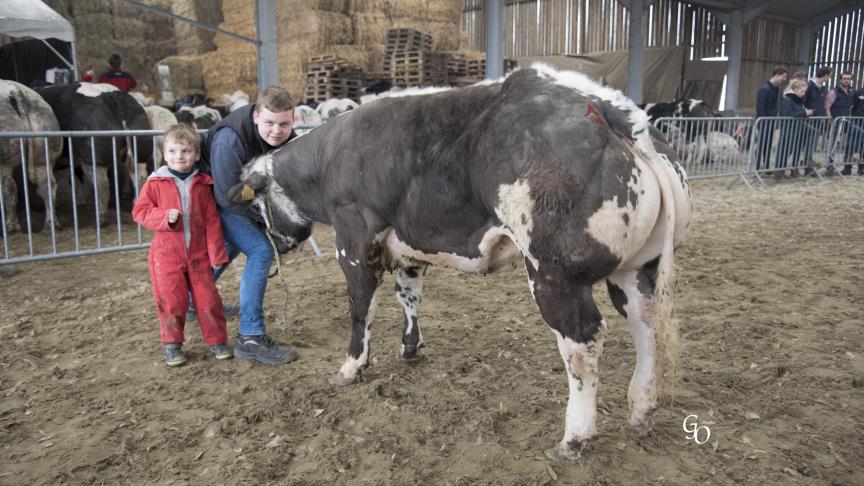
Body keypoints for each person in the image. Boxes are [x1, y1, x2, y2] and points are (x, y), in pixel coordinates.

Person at [199, 86, 299, 365]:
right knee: (260, 251)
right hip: (214, 194)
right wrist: (262, 222)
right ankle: (251, 336)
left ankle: (193, 300)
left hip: (239, 192)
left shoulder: (288, 137)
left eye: (284, 124)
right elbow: (227, 197)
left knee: (230, 246)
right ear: (256, 117)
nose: (277, 131)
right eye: (269, 123)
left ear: (294, 120)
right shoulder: (230, 140)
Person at [132, 124, 232, 366]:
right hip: (166, 255)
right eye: (173, 151)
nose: (179, 157)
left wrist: (216, 252)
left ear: (197, 154)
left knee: (209, 300)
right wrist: (163, 217)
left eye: (186, 151)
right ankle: (172, 345)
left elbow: (211, 220)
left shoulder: (203, 184)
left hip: (199, 255)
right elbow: (140, 211)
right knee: (171, 299)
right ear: (164, 154)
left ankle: (218, 341)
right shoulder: (155, 183)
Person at [825, 71, 862, 175]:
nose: (846, 80)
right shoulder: (834, 91)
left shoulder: (850, 92)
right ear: (840, 79)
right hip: (835, 121)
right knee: (832, 144)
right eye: (845, 78)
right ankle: (830, 167)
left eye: (849, 78)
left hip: (845, 121)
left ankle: (849, 158)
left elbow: (851, 106)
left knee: (859, 133)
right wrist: (830, 118)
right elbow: (827, 105)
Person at [776, 79, 813, 179]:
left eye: (805, 91)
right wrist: (805, 113)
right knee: (784, 150)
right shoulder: (787, 100)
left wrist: (805, 114)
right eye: (802, 91)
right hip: (788, 130)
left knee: (790, 150)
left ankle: (782, 172)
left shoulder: (797, 100)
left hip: (796, 129)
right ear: (795, 89)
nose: (804, 93)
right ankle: (779, 173)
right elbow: (788, 114)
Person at [755, 66, 788, 171]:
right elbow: (760, 108)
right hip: (765, 122)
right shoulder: (764, 89)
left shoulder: (776, 89)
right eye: (783, 76)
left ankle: (766, 165)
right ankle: (758, 167)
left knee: (768, 144)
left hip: (771, 121)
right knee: (762, 144)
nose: (784, 79)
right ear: (777, 74)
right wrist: (764, 122)